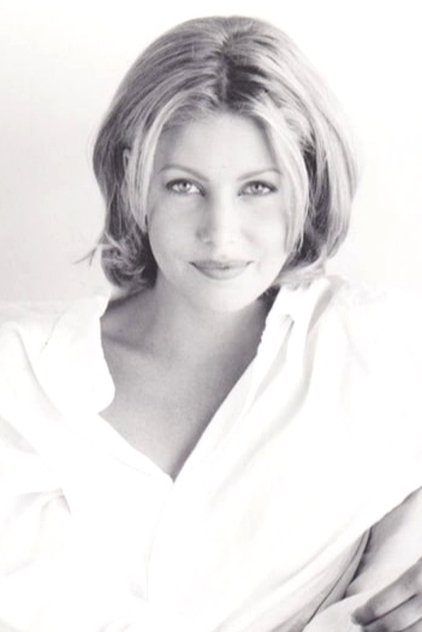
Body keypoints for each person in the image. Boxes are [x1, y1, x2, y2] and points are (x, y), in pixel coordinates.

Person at [1, 14, 422, 632]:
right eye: (184, 186)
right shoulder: (23, 375)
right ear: (134, 180)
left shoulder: (376, 348)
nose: (221, 235)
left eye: (257, 188)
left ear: (307, 184)